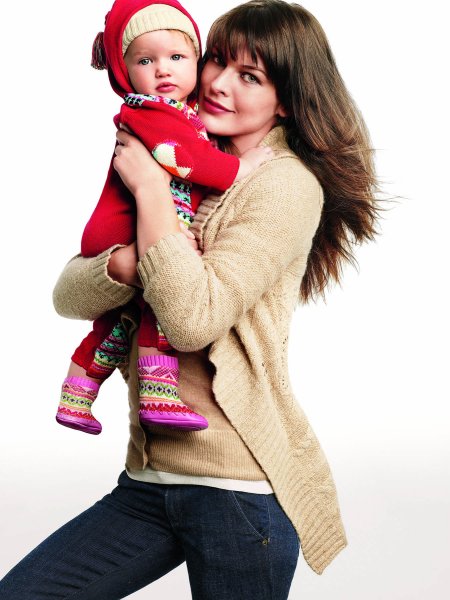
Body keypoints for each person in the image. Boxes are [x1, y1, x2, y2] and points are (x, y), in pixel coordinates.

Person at [0, 0, 380, 597]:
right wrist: (126, 263)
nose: (219, 84)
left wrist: (150, 188)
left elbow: (190, 320)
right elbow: (68, 295)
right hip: (149, 482)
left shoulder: (283, 185)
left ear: (285, 100)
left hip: (237, 491)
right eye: (217, 62)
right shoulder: (184, 153)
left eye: (249, 76)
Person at [56, 0, 272, 437]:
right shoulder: (153, 112)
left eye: (177, 56)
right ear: (124, 72)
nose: (163, 70)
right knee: (161, 291)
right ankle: (159, 394)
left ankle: (77, 393)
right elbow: (186, 160)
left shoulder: (178, 112)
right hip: (121, 227)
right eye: (145, 61)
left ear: (195, 59)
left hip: (118, 229)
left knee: (118, 323)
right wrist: (240, 168)